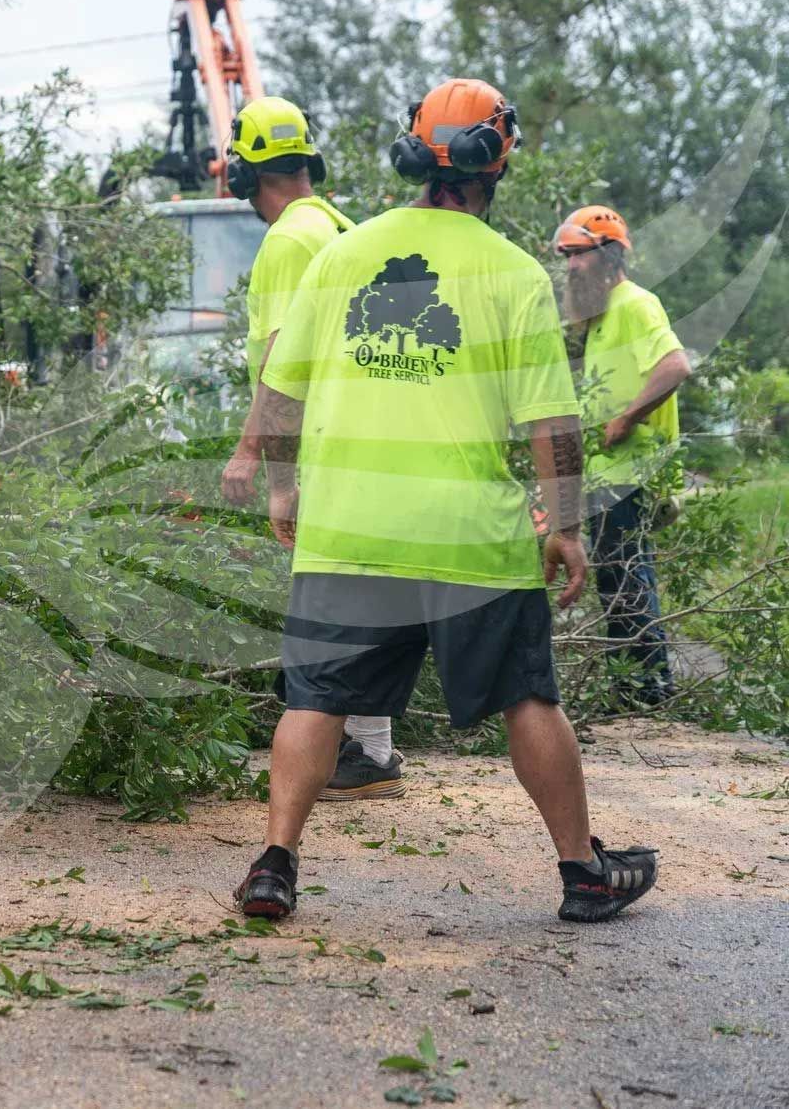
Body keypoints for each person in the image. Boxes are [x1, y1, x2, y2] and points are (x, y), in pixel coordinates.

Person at [234, 79, 658, 925]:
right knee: (529, 697)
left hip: (350, 529)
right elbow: (551, 421)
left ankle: (275, 865)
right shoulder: (512, 275)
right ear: (495, 162)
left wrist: (283, 487)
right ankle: (581, 873)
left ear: (414, 153)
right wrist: (567, 526)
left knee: (314, 699)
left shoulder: (340, 256)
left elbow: (280, 394)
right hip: (472, 540)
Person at [216, 97, 405, 802]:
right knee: (358, 589)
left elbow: (279, 358)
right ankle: (369, 748)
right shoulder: (338, 226)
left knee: (334, 599)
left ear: (244, 171)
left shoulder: (289, 239)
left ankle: (363, 751)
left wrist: (256, 458)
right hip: (367, 435)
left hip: (326, 443)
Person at [558, 206, 690, 704]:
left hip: (634, 471)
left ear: (609, 255)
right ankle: (630, 689)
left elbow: (675, 365)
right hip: (607, 474)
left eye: (580, 255)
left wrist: (628, 417)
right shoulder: (597, 318)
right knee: (617, 578)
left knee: (627, 578)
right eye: (567, 256)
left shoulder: (636, 304)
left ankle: (649, 692)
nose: (571, 266)